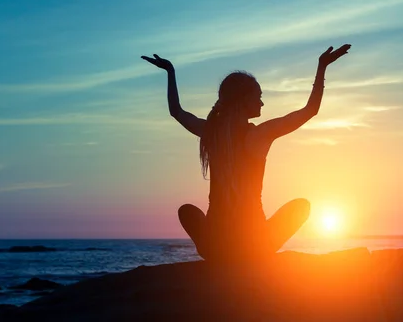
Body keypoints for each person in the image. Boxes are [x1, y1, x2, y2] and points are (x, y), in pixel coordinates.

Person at [142, 44, 351, 262]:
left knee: (186, 211)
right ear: (242, 100)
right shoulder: (260, 134)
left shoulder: (210, 132)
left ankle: (215, 253)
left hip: (216, 243)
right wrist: (322, 67)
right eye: (257, 96)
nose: (261, 102)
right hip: (255, 244)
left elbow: (176, 111)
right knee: (301, 206)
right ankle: (251, 254)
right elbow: (309, 111)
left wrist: (171, 72)